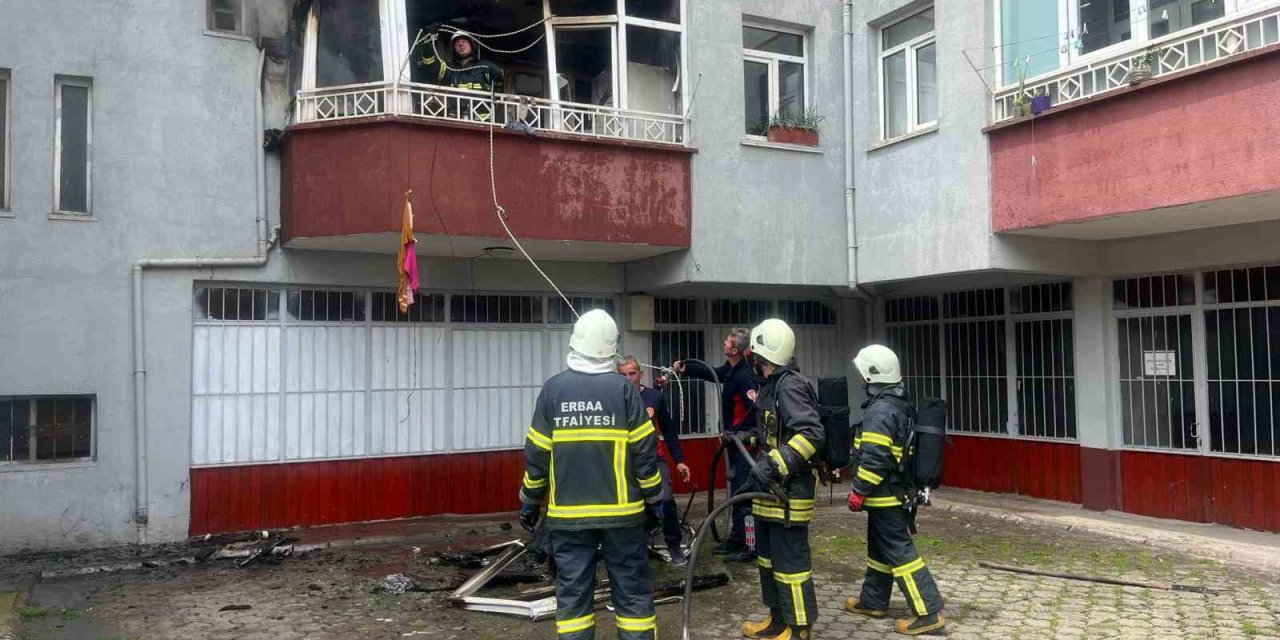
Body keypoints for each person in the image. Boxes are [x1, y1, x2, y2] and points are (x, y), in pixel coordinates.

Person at [518, 310, 663, 640]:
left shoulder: (553, 391)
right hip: (624, 517)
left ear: (576, 342)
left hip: (569, 519)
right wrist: (655, 502)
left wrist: (529, 502)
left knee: (573, 599)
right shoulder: (625, 391)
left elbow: (537, 456)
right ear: (611, 349)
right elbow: (645, 455)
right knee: (633, 595)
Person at [844, 345, 946, 636]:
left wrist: (858, 490)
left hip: (884, 494)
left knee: (901, 553)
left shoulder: (880, 410)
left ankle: (928, 612)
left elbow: (876, 458)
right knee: (879, 549)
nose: (860, 377)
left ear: (871, 374)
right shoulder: (897, 402)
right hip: (892, 492)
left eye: (862, 372)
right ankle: (873, 601)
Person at [739, 318, 824, 640]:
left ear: (763, 354)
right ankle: (777, 620)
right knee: (768, 560)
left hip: (790, 493)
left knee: (791, 565)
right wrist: (745, 437)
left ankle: (799, 627)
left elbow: (811, 434)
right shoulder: (771, 386)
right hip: (770, 492)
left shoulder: (790, 385)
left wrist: (775, 464)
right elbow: (775, 433)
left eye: (755, 353)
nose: (751, 358)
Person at [670, 327, 758, 561]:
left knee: (744, 496)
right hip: (733, 442)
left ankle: (750, 546)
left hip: (744, 446)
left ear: (736, 349)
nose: (725, 341)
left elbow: (754, 409)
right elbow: (713, 373)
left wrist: (738, 433)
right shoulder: (732, 369)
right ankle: (737, 539)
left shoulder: (745, 375)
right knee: (735, 494)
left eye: (728, 340)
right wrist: (685, 368)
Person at [618, 355, 693, 566]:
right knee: (632, 508)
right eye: (623, 374)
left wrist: (679, 460)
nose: (628, 378)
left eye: (632, 373)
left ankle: (674, 546)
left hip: (654, 459)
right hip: (625, 462)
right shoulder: (613, 399)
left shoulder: (654, 397)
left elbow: (669, 431)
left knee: (666, 500)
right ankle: (636, 549)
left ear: (641, 374)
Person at [419, 29, 504, 93]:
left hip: (480, 116)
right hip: (456, 115)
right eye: (457, 43)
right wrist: (428, 41)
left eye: (464, 41)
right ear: (453, 48)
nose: (461, 45)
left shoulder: (485, 67)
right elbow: (430, 65)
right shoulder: (450, 69)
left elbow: (499, 77)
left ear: (472, 45)